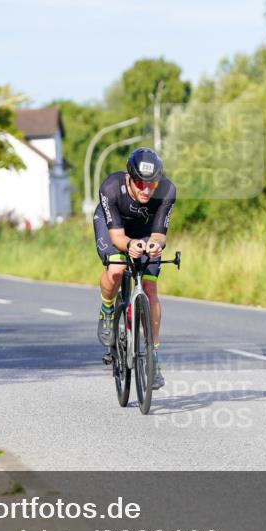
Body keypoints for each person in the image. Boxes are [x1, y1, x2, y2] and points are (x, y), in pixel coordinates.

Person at [94, 147, 176, 389]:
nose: (147, 189)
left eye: (152, 184)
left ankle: (154, 356)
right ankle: (107, 310)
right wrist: (129, 245)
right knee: (117, 269)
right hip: (115, 229)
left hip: (145, 231)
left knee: (150, 289)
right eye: (140, 183)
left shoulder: (167, 190)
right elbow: (118, 236)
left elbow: (160, 234)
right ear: (129, 178)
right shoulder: (111, 187)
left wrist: (154, 246)